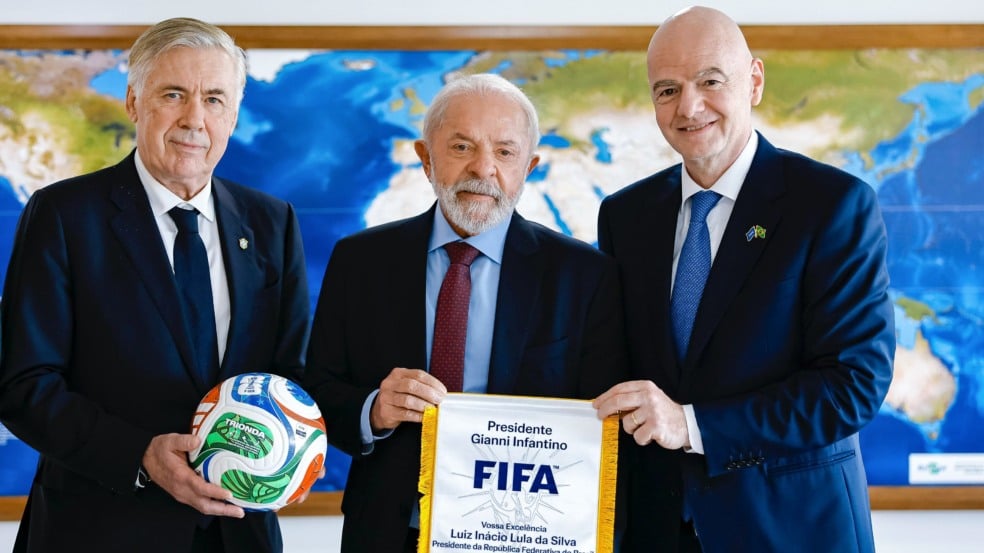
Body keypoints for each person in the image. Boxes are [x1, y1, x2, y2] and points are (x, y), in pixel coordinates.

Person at [592, 6, 895, 553]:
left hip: (790, 530)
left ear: (753, 81)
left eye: (710, 81)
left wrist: (692, 425)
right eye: (667, 90)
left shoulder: (831, 206)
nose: (689, 107)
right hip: (656, 530)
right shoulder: (625, 216)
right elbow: (612, 366)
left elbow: (853, 385)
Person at [0, 17, 309, 553]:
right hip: (100, 531)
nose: (195, 119)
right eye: (173, 94)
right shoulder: (64, 215)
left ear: (233, 115)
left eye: (214, 99)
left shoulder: (271, 222)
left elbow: (292, 372)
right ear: (134, 103)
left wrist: (298, 450)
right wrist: (139, 453)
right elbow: (24, 384)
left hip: (238, 536)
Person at [303, 73, 627, 552]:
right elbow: (319, 389)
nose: (483, 168)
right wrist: (373, 409)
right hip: (388, 532)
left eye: (505, 152)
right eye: (460, 147)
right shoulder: (360, 261)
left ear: (530, 166)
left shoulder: (584, 276)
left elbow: (604, 424)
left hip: (526, 537)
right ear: (425, 158)